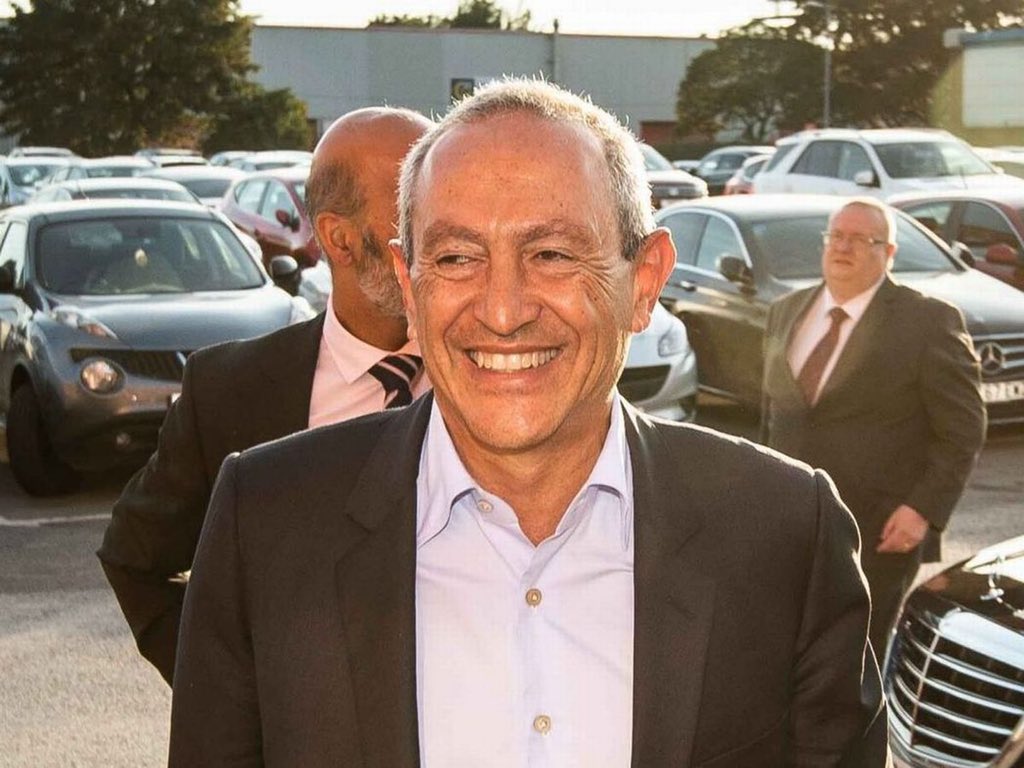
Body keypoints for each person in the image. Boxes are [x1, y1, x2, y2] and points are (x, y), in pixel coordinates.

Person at [169, 79, 888, 767]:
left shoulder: (784, 533)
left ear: (644, 282)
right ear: (409, 289)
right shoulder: (267, 524)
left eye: (551, 254)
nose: (504, 311)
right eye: (457, 257)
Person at [96, 107, 433, 685]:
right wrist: (241, 697)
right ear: (340, 239)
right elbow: (135, 561)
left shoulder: (496, 369)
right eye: (414, 213)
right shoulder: (230, 392)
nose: (446, 233)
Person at [761, 197, 986, 654]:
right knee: (784, 648)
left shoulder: (927, 320)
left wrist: (922, 510)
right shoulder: (784, 311)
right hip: (789, 522)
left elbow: (963, 428)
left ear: (889, 253)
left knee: (857, 658)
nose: (843, 247)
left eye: (861, 239)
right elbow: (771, 415)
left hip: (879, 531)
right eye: (836, 236)